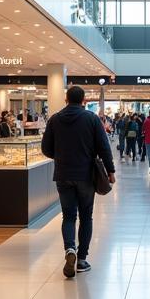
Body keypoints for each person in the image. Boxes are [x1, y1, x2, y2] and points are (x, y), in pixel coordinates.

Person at [41, 85, 115, 279]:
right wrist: (111, 170)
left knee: (68, 216)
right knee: (86, 216)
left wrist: (61, 156)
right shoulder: (91, 119)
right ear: (84, 101)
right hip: (86, 174)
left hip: (63, 174)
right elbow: (103, 146)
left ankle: (69, 249)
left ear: (66, 99)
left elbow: (46, 148)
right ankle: (81, 259)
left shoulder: (55, 119)